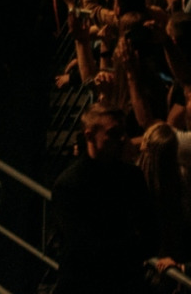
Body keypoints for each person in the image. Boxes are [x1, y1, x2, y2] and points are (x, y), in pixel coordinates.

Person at [52, 105, 156, 294]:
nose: (123, 138)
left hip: (123, 282)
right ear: (90, 135)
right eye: (114, 133)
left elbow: (150, 232)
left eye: (122, 132)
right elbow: (82, 247)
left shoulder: (132, 177)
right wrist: (131, 247)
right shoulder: (69, 185)